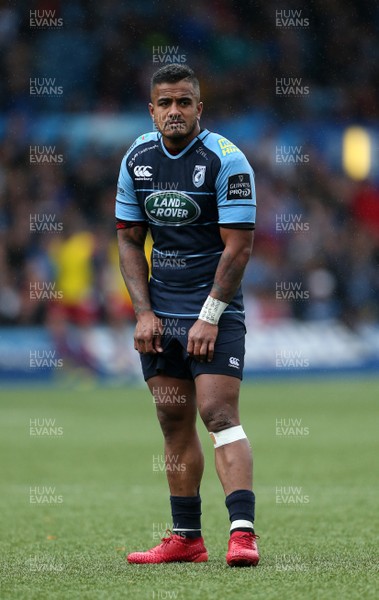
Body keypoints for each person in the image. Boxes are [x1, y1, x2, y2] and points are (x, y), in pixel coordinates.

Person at [116, 64, 259, 567]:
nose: (174, 112)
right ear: (151, 110)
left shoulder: (227, 161)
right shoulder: (137, 158)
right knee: (172, 420)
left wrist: (210, 316)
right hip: (162, 318)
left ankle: (242, 534)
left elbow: (238, 249)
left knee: (217, 413)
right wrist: (143, 314)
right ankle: (186, 538)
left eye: (184, 103)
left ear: (200, 108)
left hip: (215, 313)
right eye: (165, 104)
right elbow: (130, 241)